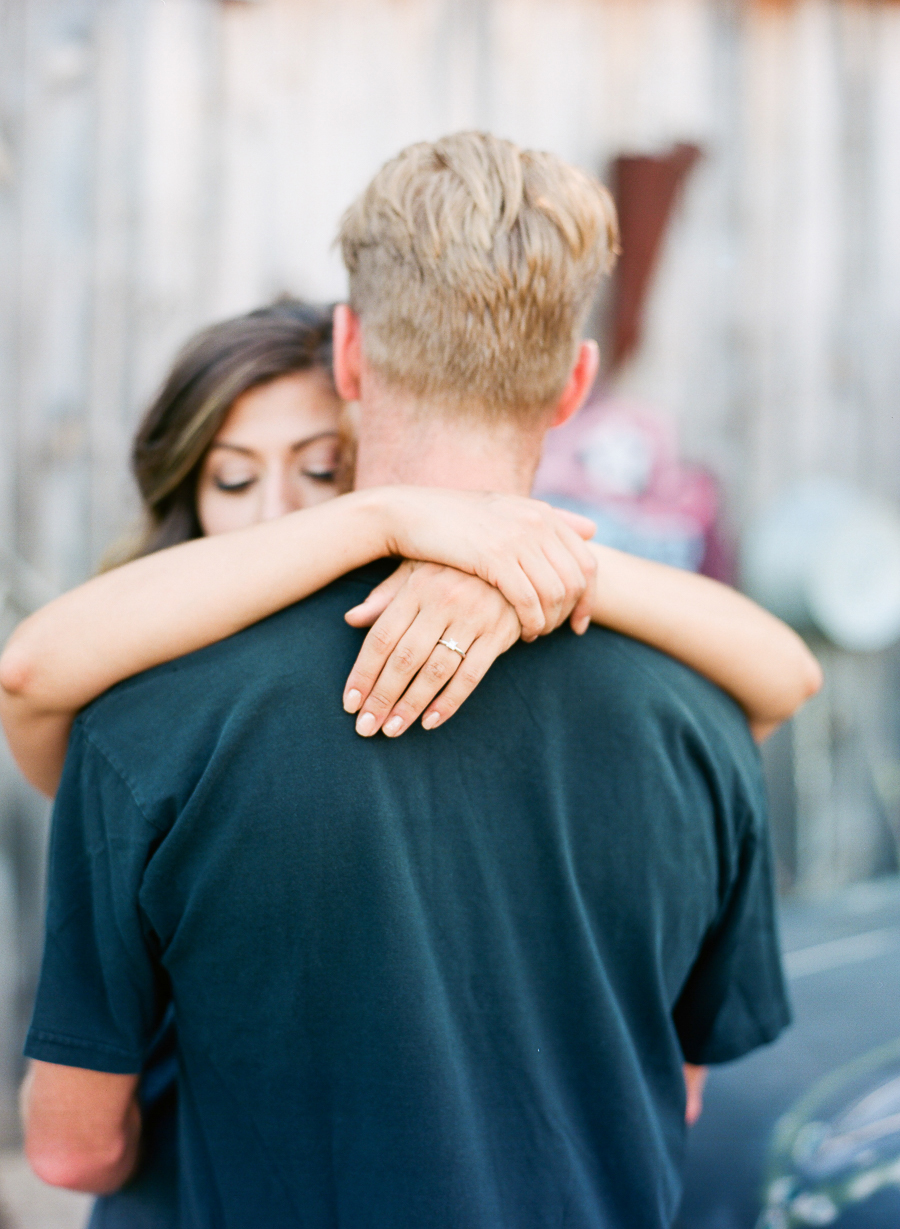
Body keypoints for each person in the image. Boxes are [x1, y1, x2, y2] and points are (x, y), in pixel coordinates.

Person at [16, 133, 802, 1227]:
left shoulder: (145, 719)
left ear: (348, 358)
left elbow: (69, 1149)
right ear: (574, 381)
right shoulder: (706, 721)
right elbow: (675, 1088)